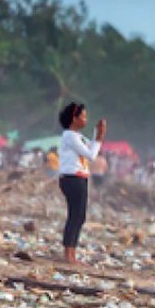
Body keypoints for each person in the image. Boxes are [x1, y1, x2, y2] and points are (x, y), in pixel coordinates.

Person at [56, 102, 105, 265]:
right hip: (72, 178)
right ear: (74, 118)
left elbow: (90, 147)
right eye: (82, 116)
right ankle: (68, 253)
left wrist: (97, 135)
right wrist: (98, 139)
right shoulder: (69, 136)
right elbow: (91, 155)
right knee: (75, 215)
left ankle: (71, 252)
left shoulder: (78, 137)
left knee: (79, 216)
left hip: (79, 177)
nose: (85, 119)